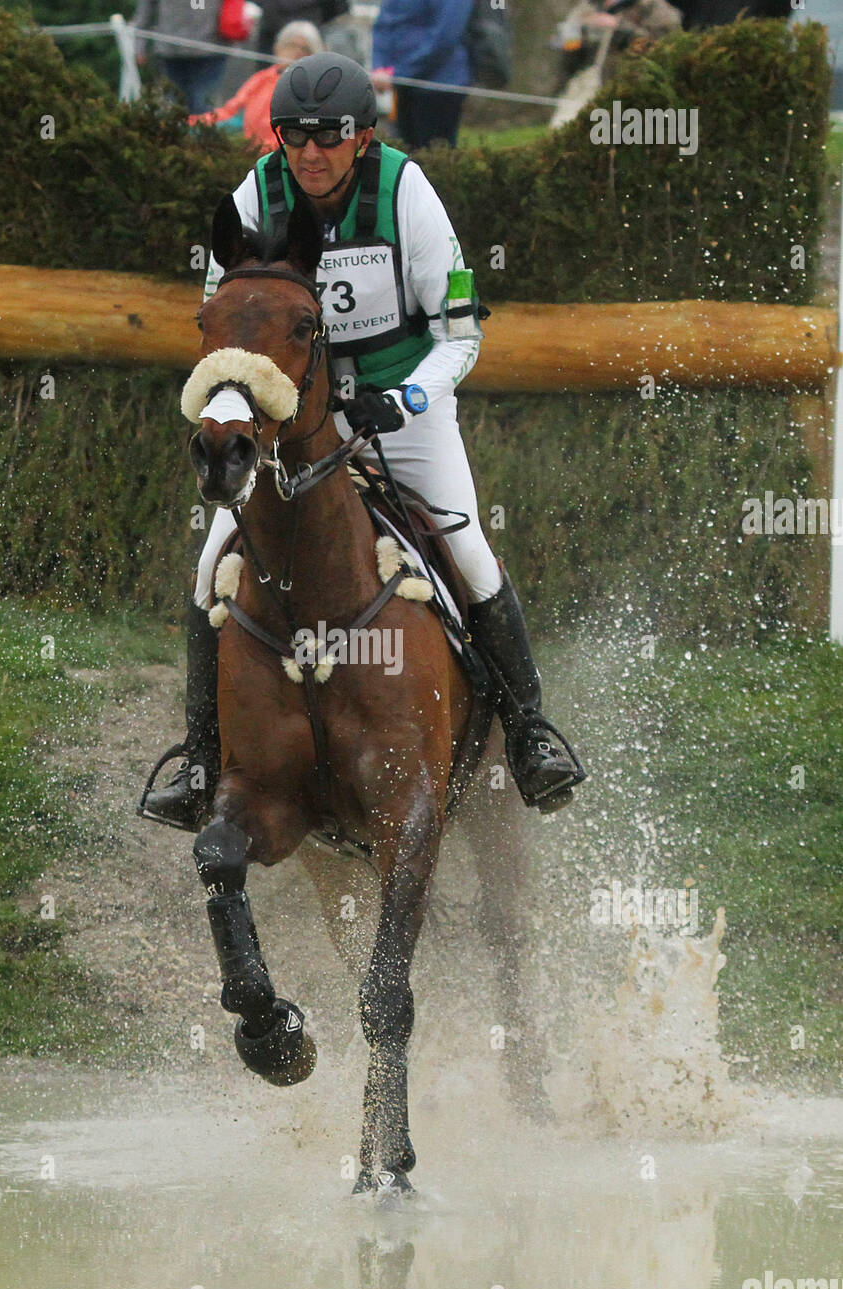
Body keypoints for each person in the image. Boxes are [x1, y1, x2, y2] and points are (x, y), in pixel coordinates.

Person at [140, 53, 584, 830]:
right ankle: (199, 759)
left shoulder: (404, 192)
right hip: (295, 420)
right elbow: (224, 328)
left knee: (468, 547)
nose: (310, 154)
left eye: (329, 136)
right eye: (294, 136)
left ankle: (528, 736)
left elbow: (459, 333)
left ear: (364, 135)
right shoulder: (255, 192)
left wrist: (405, 397)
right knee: (212, 565)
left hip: (401, 410)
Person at [187, 22, 324, 151]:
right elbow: (229, 111)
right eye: (291, 45)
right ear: (277, 48)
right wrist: (191, 123)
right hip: (249, 151)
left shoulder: (315, 88)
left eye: (305, 49)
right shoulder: (261, 79)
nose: (297, 52)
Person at [372, 0, 474, 149]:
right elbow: (384, 23)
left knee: (435, 156)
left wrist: (399, 73)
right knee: (405, 151)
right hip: (404, 85)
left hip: (440, 86)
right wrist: (379, 66)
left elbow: (445, 36)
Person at [134, 0, 231, 115]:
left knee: (197, 107)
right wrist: (140, 46)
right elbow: (145, 12)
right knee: (178, 107)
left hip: (207, 50)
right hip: (176, 50)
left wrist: (140, 47)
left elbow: (144, 13)